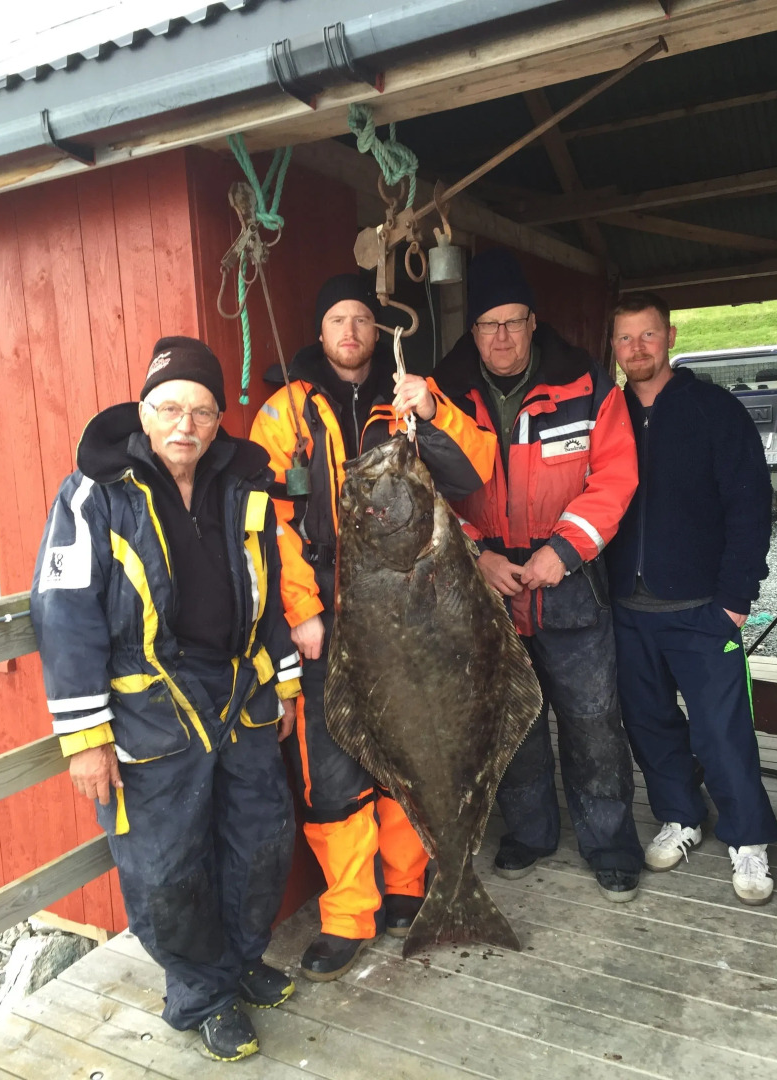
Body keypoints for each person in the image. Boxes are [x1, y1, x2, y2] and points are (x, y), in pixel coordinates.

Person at [31, 337, 302, 1062]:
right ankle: (200, 993)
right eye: (170, 407)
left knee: (262, 838)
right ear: (144, 411)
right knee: (166, 862)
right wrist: (84, 738)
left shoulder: (244, 483)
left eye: (203, 410)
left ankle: (241, 960)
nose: (186, 423)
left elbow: (268, 589)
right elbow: (63, 613)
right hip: (148, 703)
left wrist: (284, 678)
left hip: (240, 688)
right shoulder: (93, 491)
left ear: (218, 422)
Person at [250, 273, 497, 980]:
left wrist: (434, 411)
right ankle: (348, 915)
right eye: (338, 319)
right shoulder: (283, 414)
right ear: (320, 332)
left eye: (361, 318)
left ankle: (408, 888)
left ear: (377, 332)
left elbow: (474, 470)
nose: (351, 330)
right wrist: (304, 613)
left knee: (408, 752)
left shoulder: (411, 398)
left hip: (410, 611)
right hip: (329, 619)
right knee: (333, 772)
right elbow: (271, 523)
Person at [433, 248, 644, 902]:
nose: (502, 336)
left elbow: (616, 477)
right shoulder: (444, 393)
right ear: (473, 333)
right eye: (489, 324)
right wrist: (475, 555)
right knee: (513, 722)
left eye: (513, 322)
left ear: (533, 323)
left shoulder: (586, 382)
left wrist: (566, 549)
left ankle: (609, 841)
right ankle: (528, 832)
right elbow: (427, 491)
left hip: (569, 583)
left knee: (591, 721)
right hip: (489, 587)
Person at [606, 291, 777, 904]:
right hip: (627, 608)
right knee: (649, 724)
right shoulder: (609, 415)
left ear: (670, 336)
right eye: (625, 339)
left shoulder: (715, 409)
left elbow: (750, 506)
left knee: (722, 729)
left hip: (704, 608)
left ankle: (748, 838)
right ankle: (681, 816)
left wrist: (736, 598)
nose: (637, 349)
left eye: (648, 336)